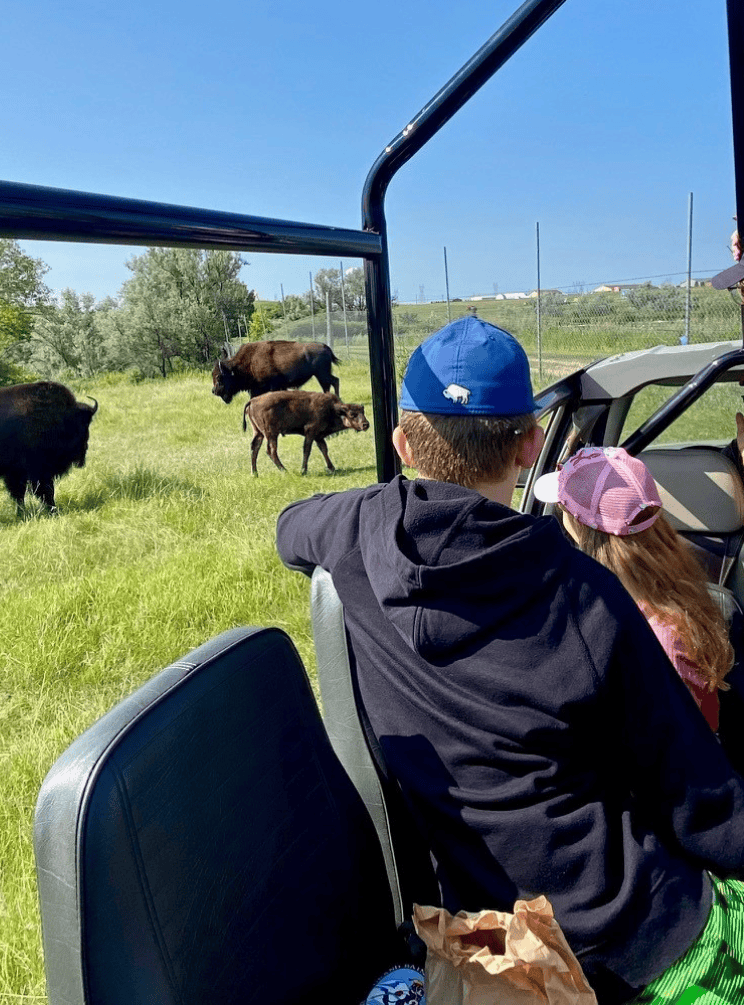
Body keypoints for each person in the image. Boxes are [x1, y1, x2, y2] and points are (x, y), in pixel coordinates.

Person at [276, 315, 744, 1004]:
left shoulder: (350, 534)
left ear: (403, 443)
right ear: (529, 446)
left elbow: (289, 527)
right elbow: (698, 802)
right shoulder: (585, 592)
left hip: (486, 940)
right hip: (632, 938)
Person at [533, 446, 733, 731]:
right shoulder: (678, 590)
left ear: (580, 524)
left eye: (563, 506)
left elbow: (674, 752)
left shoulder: (658, 637)